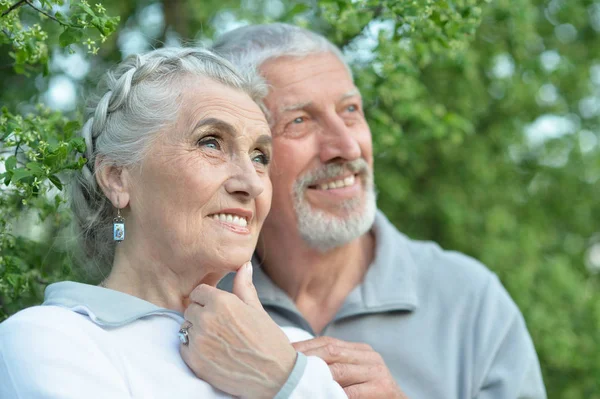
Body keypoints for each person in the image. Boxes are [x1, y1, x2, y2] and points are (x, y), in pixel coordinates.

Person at [205, 23, 549, 398]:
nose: (347, 147)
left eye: (350, 110)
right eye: (299, 121)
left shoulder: (470, 302)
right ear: (243, 155)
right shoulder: (197, 296)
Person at [0, 47, 347, 398]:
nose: (253, 183)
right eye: (211, 143)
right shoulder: (50, 340)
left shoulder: (293, 348)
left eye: (260, 157)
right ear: (117, 178)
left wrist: (282, 373)